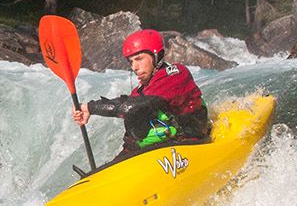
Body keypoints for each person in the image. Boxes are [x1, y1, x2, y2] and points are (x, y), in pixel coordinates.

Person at [72, 28, 209, 163]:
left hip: (187, 143)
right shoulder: (142, 90)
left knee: (135, 111)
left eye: (139, 59)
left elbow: (129, 107)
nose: (134, 67)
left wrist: (90, 107)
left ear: (156, 57)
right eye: (131, 61)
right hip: (155, 148)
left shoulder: (175, 74)